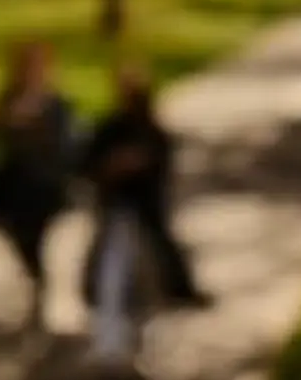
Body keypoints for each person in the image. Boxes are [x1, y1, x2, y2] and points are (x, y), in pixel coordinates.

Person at [80, 65, 211, 313]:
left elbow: (162, 159)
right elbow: (90, 164)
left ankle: (180, 289)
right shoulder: (110, 128)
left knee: (161, 237)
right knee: (105, 240)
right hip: (115, 193)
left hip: (144, 194)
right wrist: (111, 168)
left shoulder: (150, 128)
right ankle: (94, 291)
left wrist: (138, 163)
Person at [0, 40, 78, 330]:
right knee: (22, 241)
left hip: (45, 186)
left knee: (43, 241)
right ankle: (37, 282)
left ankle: (44, 291)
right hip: (13, 187)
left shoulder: (56, 103)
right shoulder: (6, 100)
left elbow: (65, 145)